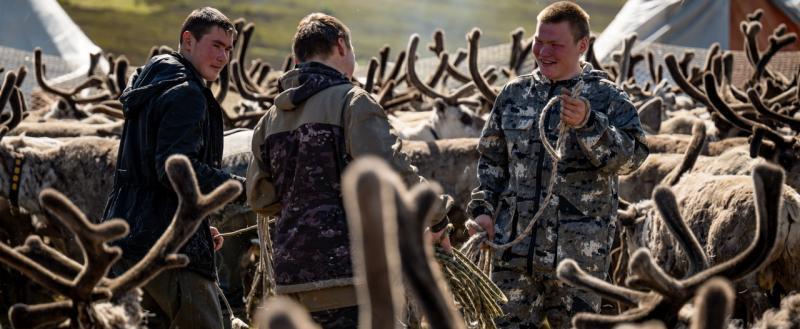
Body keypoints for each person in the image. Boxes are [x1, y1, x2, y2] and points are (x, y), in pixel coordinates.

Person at [246, 13, 450, 329]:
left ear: (298, 56)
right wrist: (438, 216)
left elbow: (260, 197)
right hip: (351, 275)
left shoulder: (270, 119)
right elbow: (392, 175)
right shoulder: (353, 103)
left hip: (290, 277)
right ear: (341, 45)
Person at [466, 2, 649, 328]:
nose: (543, 51)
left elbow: (632, 160)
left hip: (577, 263)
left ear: (582, 46)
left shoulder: (608, 99)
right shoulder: (514, 94)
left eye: (555, 44)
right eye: (539, 41)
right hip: (514, 258)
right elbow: (492, 159)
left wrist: (590, 124)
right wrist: (482, 209)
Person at [102, 7, 245, 329]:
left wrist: (194, 222)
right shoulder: (186, 94)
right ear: (188, 40)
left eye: (229, 50)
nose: (223, 57)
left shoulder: (153, 86)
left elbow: (155, 175)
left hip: (128, 241)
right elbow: (175, 169)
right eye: (216, 45)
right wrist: (241, 187)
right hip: (170, 250)